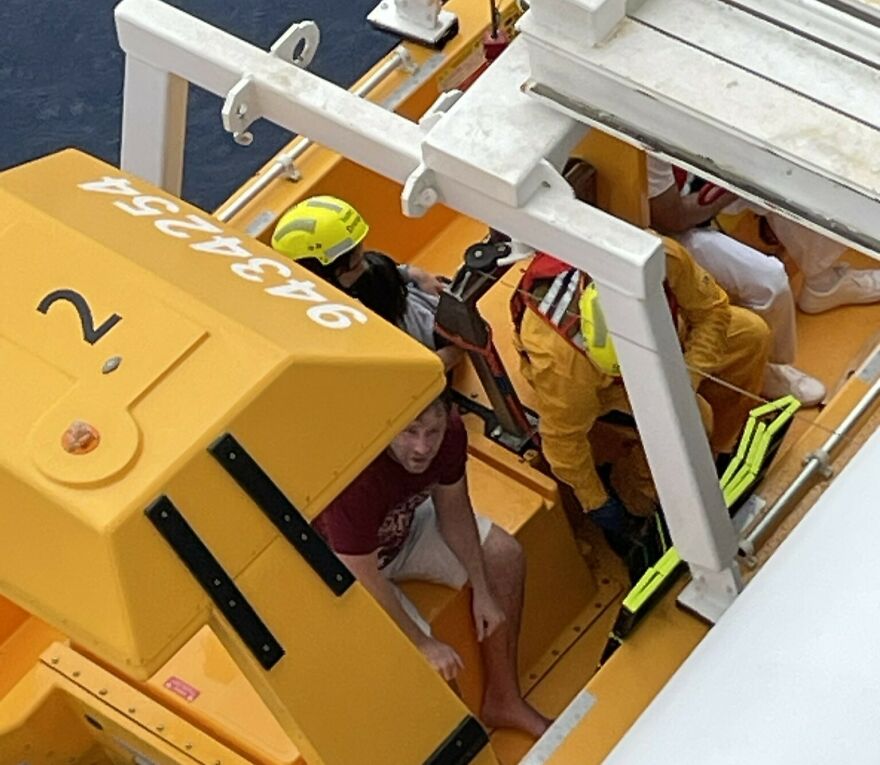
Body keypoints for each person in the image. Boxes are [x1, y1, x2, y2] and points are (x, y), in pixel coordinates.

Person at [313, 395, 551, 738]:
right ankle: (469, 746)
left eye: (432, 431)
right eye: (410, 432)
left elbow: (453, 507)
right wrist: (423, 643)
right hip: (350, 567)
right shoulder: (355, 478)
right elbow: (361, 574)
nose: (422, 447)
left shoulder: (451, 434)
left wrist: (483, 590)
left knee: (504, 555)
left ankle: (504, 699)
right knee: (423, 660)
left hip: (403, 529)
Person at [511, 238, 770, 530]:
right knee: (689, 420)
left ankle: (717, 452)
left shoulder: (656, 257)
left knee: (751, 335)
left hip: (668, 345)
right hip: (604, 386)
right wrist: (596, 501)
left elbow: (712, 312)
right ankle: (636, 495)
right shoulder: (563, 363)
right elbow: (563, 439)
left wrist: (688, 375)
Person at [647, 155, 826, 406]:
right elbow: (672, 218)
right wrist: (740, 181)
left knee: (795, 176)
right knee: (769, 283)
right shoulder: (643, 151)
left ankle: (825, 282)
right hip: (669, 234)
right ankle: (768, 368)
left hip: (695, 182)